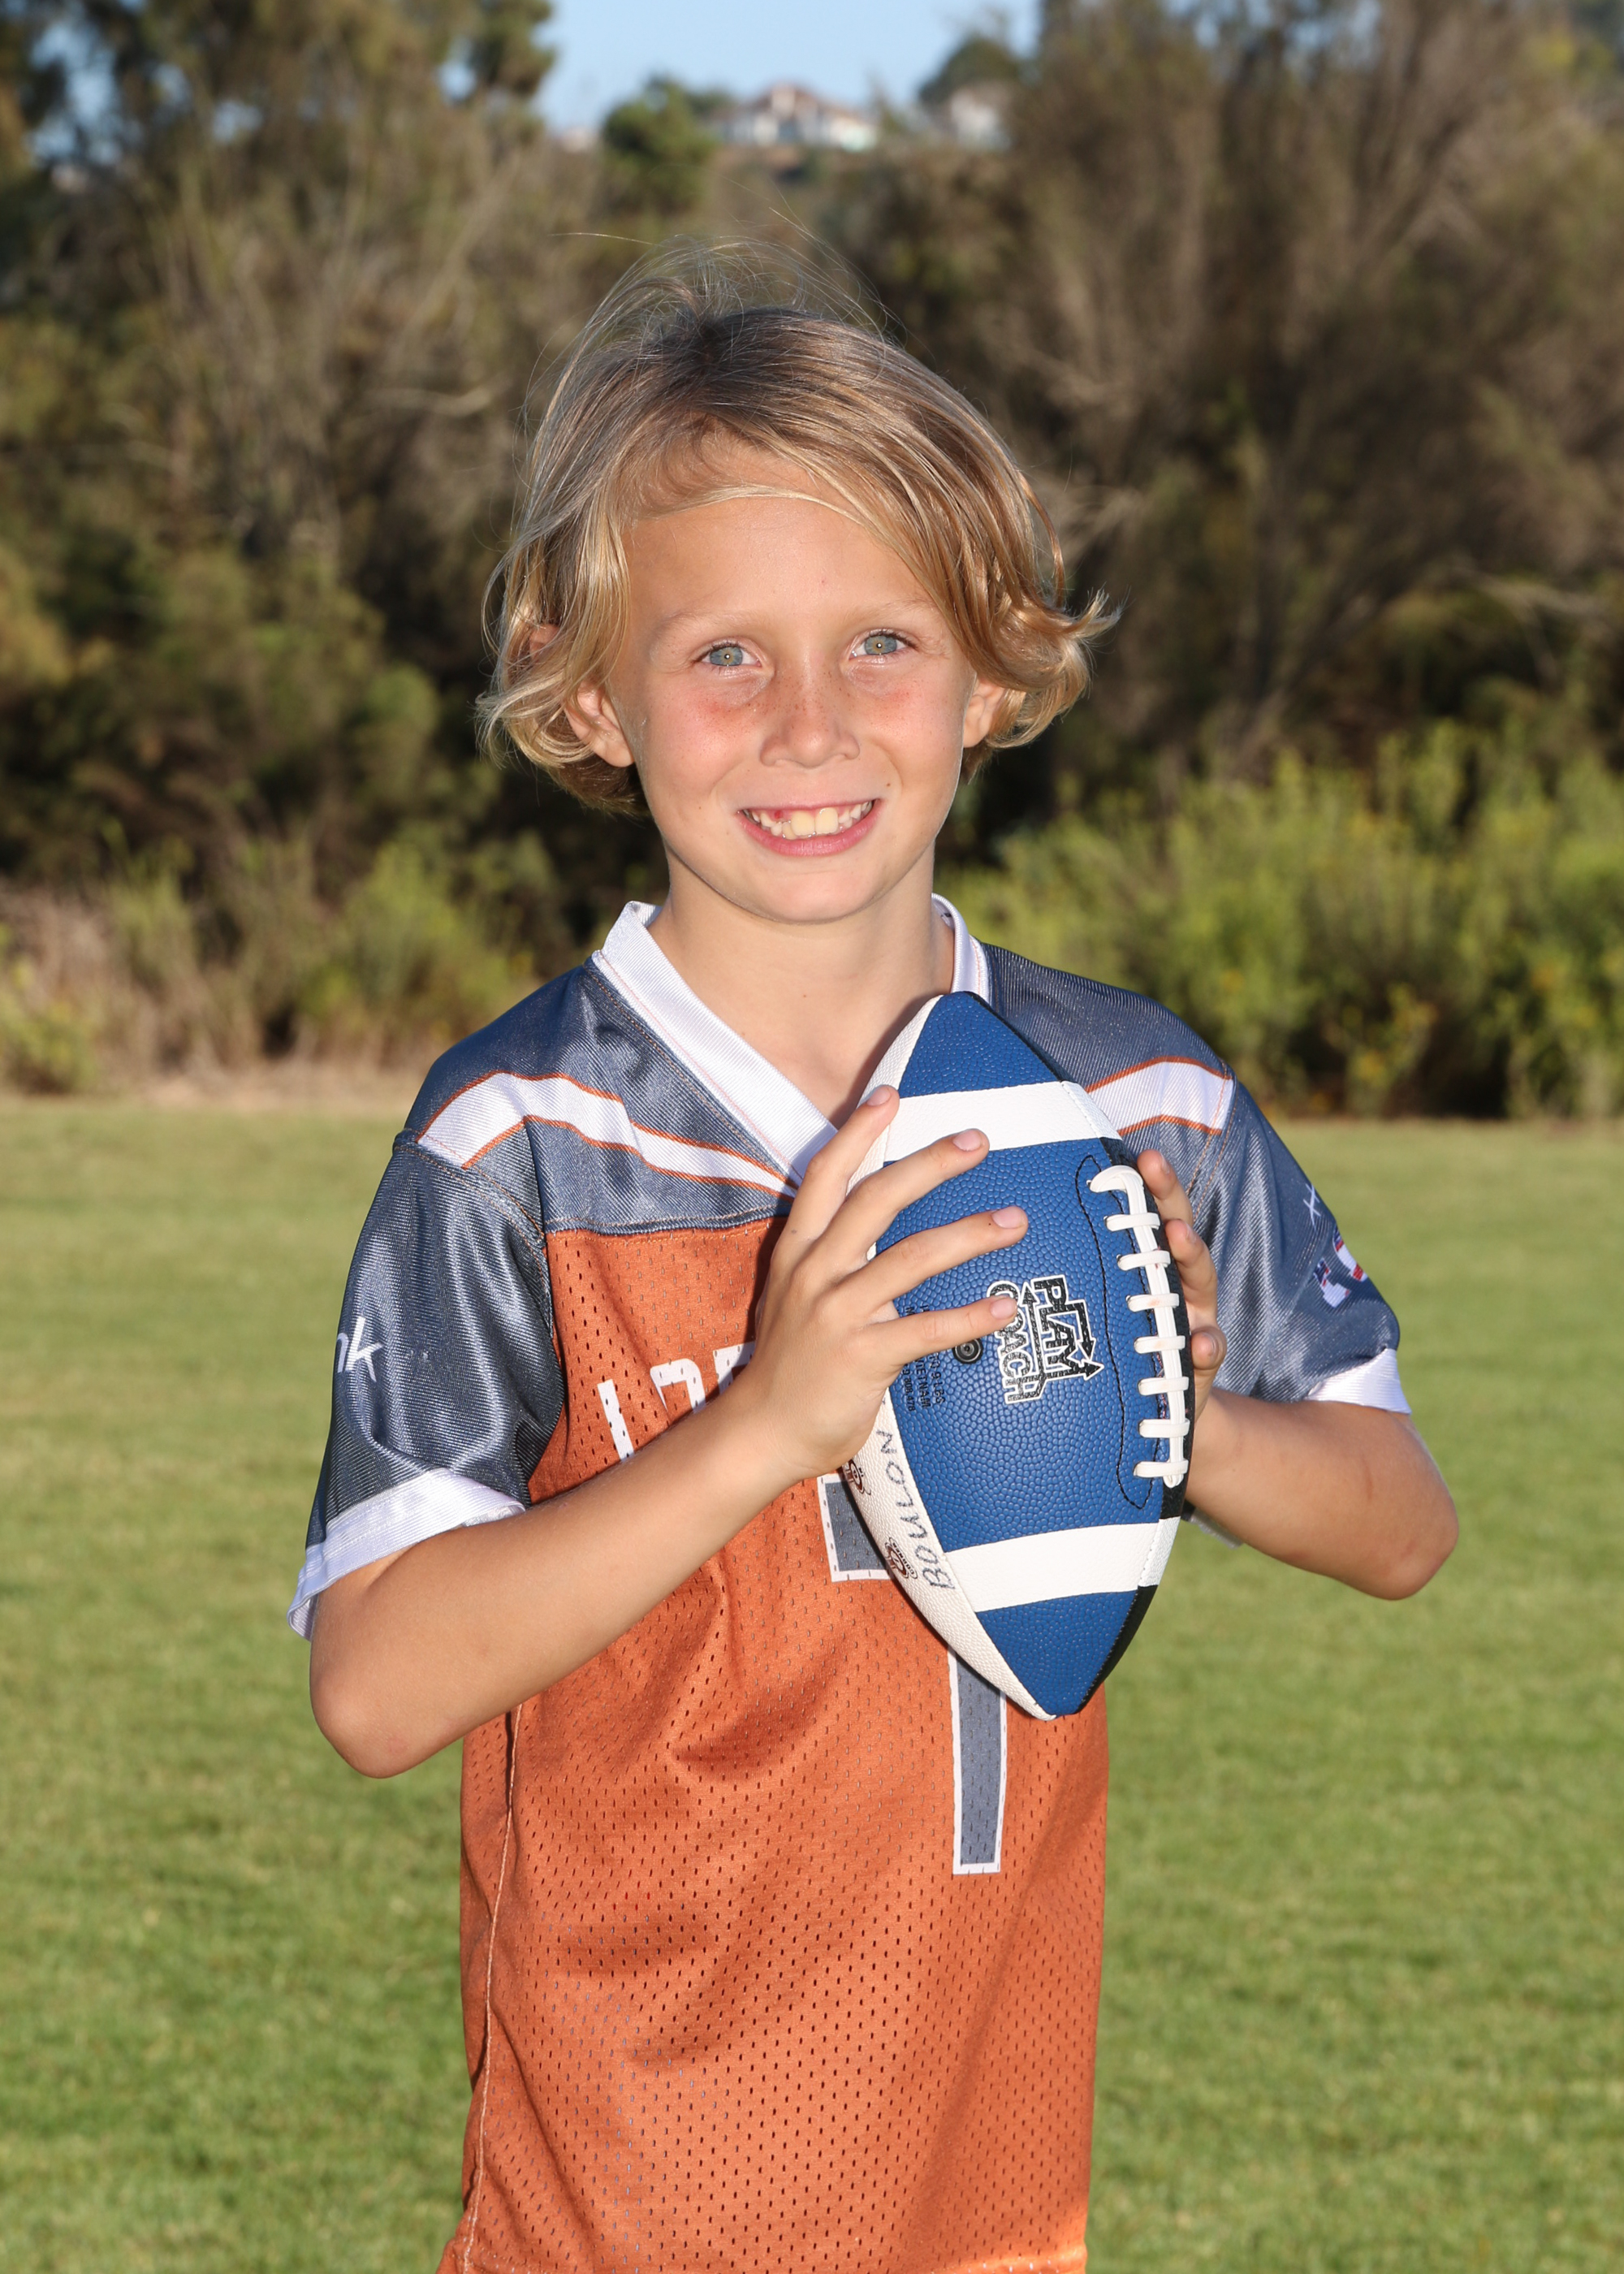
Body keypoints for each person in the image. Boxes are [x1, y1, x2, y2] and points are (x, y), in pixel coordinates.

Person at [292, 248, 1457, 2274]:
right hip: (622, 2215)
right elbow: (378, 1687)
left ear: (992, 668)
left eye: (885, 642)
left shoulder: (1125, 1097)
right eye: (724, 655)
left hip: (991, 2206)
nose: (809, 723)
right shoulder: (524, 1139)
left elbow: (1400, 1522)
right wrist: (773, 1420)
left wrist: (1175, 1412)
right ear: (591, 692)